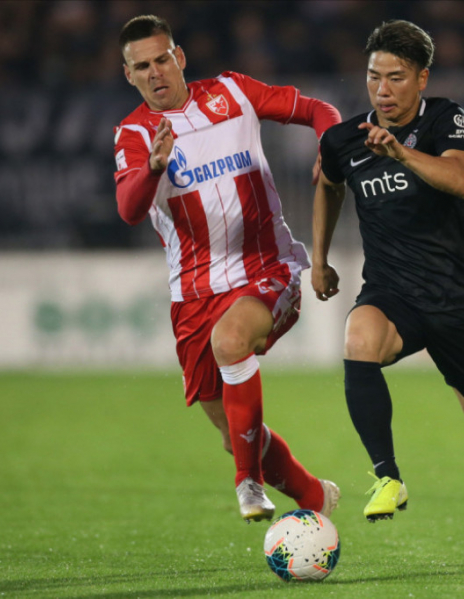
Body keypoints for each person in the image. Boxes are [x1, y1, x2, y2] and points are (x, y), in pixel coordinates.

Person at [311, 20, 464, 565]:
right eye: (374, 77)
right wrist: (320, 259)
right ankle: (387, 477)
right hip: (391, 293)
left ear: (422, 78)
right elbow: (326, 183)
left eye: (396, 78)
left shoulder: (444, 118)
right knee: (358, 338)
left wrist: (401, 154)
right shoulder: (343, 139)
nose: (383, 90)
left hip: (453, 301)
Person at [113, 15, 341, 523]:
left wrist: (330, 149)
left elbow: (318, 109)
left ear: (180, 58)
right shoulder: (134, 134)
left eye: (162, 59)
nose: (155, 72)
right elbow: (128, 209)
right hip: (193, 295)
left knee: (232, 341)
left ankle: (247, 483)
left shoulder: (233, 92)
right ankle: (314, 497)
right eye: (142, 66)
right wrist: (153, 167)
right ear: (129, 75)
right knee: (233, 434)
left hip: (267, 267)